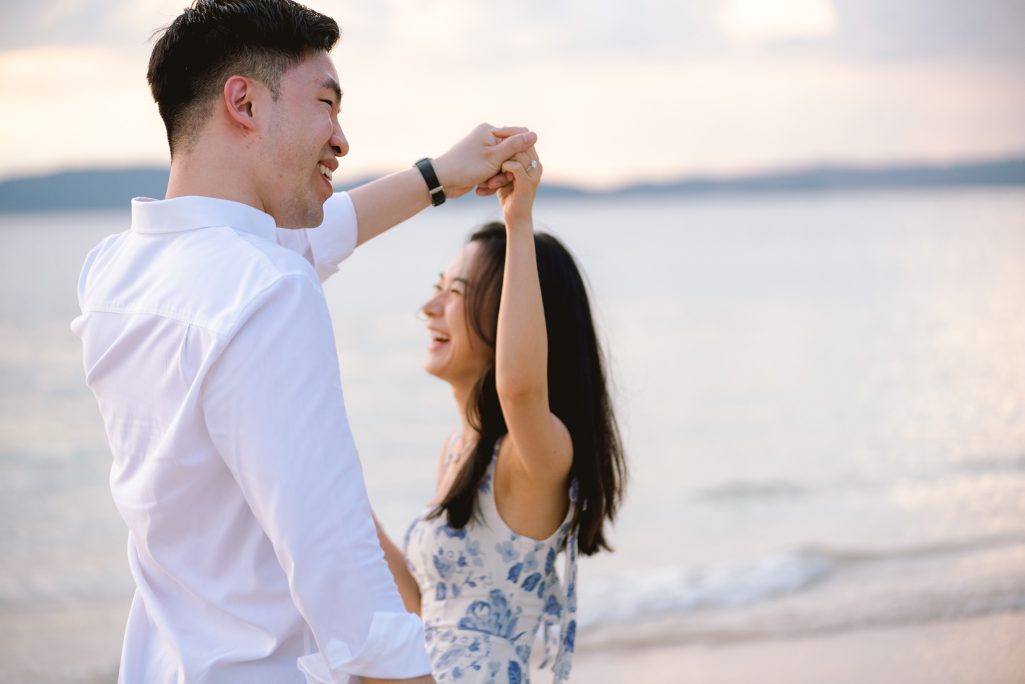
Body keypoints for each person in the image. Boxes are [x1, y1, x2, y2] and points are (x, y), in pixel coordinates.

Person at [70, 1, 538, 682]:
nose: (341, 138)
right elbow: (343, 579)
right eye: (325, 103)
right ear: (245, 102)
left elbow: (305, 239)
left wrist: (439, 175)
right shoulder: (266, 291)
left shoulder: (115, 271)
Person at [373, 153, 627, 682]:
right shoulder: (459, 449)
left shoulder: (537, 455)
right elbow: (427, 608)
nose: (430, 307)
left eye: (456, 294)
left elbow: (520, 388)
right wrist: (350, 510)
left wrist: (518, 220)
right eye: (438, 287)